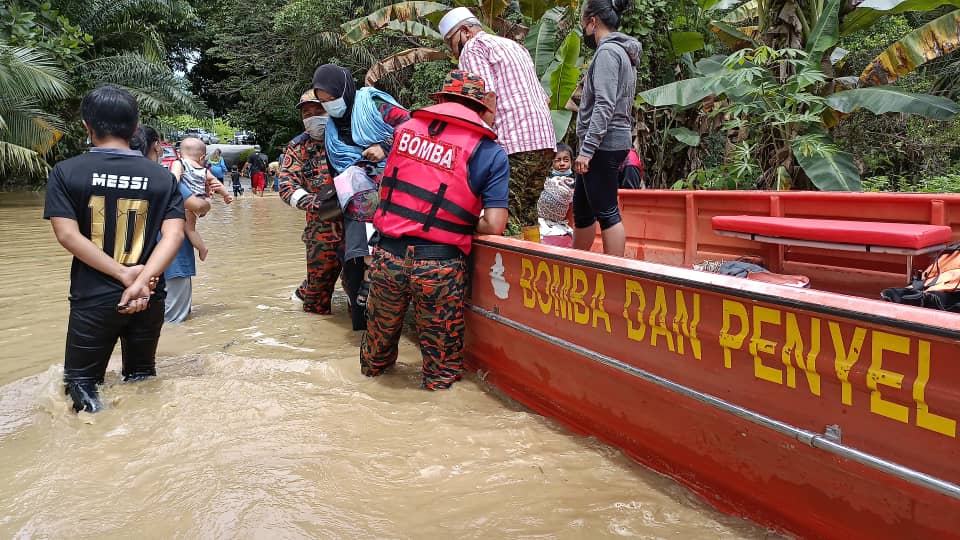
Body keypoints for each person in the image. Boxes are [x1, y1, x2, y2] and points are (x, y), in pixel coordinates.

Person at [361, 70, 509, 390]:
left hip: (387, 256)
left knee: (374, 360)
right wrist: (459, 221)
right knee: (441, 372)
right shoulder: (489, 152)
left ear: (440, 100)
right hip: (440, 265)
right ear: (481, 108)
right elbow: (495, 225)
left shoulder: (403, 132)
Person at [42, 86, 186, 413]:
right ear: (135, 128)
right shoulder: (162, 178)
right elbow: (174, 235)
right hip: (148, 294)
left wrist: (123, 275)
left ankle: (98, 433)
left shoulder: (67, 172)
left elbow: (67, 235)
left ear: (86, 126)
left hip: (95, 296)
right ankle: (145, 433)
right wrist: (141, 281)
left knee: (80, 383)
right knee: (142, 378)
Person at [312, 63, 411, 326]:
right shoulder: (332, 131)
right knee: (353, 264)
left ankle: (380, 313)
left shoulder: (373, 105)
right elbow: (336, 173)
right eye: (324, 102)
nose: (330, 105)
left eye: (332, 98)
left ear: (345, 90)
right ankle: (360, 328)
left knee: (384, 263)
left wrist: (385, 146)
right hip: (354, 209)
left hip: (396, 191)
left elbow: (412, 127)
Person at [438, 6, 556, 225]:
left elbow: (486, 96)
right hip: (544, 141)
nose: (453, 51)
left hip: (514, 144)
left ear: (465, 31)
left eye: (450, 42)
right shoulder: (515, 46)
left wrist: (475, 144)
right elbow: (545, 100)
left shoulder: (473, 47)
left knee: (504, 219)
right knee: (528, 214)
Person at [572, 0, 640, 257]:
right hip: (608, 140)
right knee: (582, 208)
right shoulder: (620, 51)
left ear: (593, 21)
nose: (583, 28)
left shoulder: (608, 53)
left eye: (583, 22)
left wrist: (587, 150)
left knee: (607, 211)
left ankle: (615, 271)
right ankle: (576, 262)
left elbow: (605, 104)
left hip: (604, 143)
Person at [278, 89, 345, 316]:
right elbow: (286, 186)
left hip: (357, 222)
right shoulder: (298, 147)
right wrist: (316, 203)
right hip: (321, 226)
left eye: (319, 110)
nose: (313, 117)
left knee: (359, 284)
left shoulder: (350, 136)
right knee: (319, 285)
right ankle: (311, 323)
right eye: (307, 113)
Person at [170, 137, 233, 261]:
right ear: (202, 157)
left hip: (188, 203)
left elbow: (173, 179)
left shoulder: (180, 163)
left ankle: (202, 248)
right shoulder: (204, 170)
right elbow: (215, 182)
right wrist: (226, 195)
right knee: (191, 228)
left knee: (189, 230)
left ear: (179, 154)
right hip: (201, 201)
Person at [537, 143, 576, 247]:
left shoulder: (575, 182)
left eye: (566, 160)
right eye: (558, 160)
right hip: (541, 221)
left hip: (562, 222)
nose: (562, 163)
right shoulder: (544, 180)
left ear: (572, 162)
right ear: (551, 162)